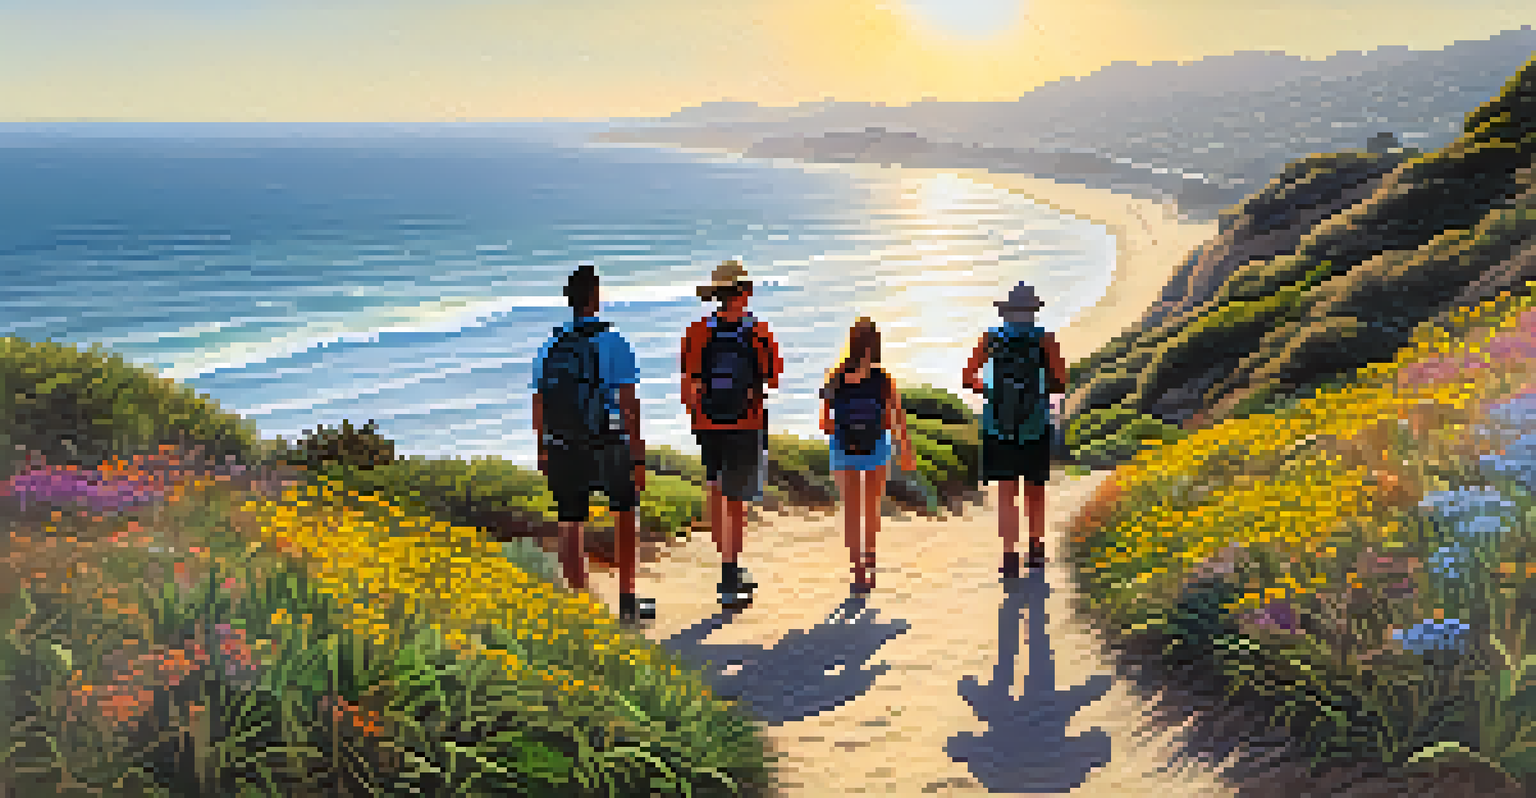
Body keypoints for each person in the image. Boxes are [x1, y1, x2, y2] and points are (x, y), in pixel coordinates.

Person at [531, 262, 654, 624]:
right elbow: (630, 404)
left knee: (570, 522)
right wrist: (638, 453)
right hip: (607, 440)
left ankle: (581, 610)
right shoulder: (613, 341)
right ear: (596, 297)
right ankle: (628, 601)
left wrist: (542, 447)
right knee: (624, 514)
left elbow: (539, 402)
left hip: (562, 444)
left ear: (568, 299)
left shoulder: (551, 344)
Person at [680, 259, 783, 609]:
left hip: (708, 425)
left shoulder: (696, 332)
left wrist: (701, 414)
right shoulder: (759, 331)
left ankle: (727, 567)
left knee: (716, 492)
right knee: (736, 500)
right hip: (745, 423)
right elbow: (773, 379)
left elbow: (688, 389)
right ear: (744, 292)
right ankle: (729, 574)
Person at [961, 282, 1070, 578]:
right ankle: (1035, 551)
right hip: (1035, 423)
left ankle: (1009, 556)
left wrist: (994, 391)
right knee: (1035, 490)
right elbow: (1060, 381)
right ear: (1034, 311)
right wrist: (1035, 390)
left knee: (1006, 492)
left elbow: (968, 377)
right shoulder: (1045, 338)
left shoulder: (990, 338)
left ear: (1006, 312)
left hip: (998, 425)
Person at [820, 317, 916, 594]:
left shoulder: (834, 377)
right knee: (871, 508)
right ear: (875, 345)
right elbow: (897, 418)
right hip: (875, 448)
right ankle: (870, 560)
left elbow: (824, 423)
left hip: (843, 448)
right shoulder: (883, 378)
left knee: (851, 510)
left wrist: (844, 427)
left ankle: (858, 571)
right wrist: (904, 449)